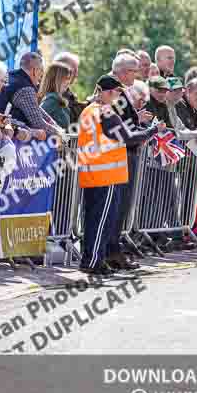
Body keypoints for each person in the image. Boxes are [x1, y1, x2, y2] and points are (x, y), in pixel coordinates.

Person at [77, 75, 162, 275]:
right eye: (117, 92)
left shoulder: (89, 110)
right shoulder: (106, 112)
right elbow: (128, 138)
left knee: (93, 221)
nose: (119, 97)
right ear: (109, 92)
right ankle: (93, 262)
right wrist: (153, 130)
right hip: (106, 175)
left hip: (93, 173)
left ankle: (92, 260)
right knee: (101, 222)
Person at [109, 53, 155, 266]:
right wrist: (147, 131)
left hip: (125, 153)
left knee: (122, 206)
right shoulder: (113, 92)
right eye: (134, 71)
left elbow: (124, 122)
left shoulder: (121, 91)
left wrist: (136, 119)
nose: (136, 75)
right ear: (124, 72)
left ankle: (113, 250)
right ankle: (110, 252)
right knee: (117, 206)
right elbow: (120, 129)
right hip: (120, 155)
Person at [0, 52, 64, 142]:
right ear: (34, 70)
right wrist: (62, 136)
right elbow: (38, 123)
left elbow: (36, 108)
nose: (42, 75)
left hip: (2, 127)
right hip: (6, 135)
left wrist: (55, 125)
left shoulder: (12, 75)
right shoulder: (25, 88)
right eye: (41, 70)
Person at [53, 52, 87, 124]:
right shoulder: (54, 92)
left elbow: (76, 108)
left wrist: (90, 102)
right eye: (74, 70)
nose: (76, 74)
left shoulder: (66, 90)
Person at [38, 62, 73, 130]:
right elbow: (37, 119)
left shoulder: (57, 98)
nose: (69, 82)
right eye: (67, 78)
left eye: (69, 78)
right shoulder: (51, 99)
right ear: (57, 79)